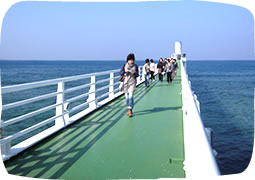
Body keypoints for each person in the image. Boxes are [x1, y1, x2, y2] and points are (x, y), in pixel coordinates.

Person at [119, 53, 139, 117]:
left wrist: (134, 73)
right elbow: (120, 72)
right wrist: (125, 71)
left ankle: (130, 109)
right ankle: (130, 106)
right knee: (127, 98)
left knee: (131, 96)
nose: (131, 61)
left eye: (132, 60)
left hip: (132, 82)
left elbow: (137, 74)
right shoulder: (125, 65)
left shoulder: (135, 66)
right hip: (125, 83)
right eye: (129, 60)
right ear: (127, 60)